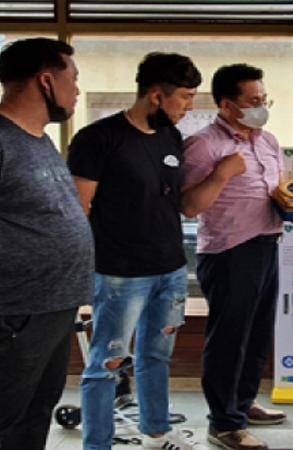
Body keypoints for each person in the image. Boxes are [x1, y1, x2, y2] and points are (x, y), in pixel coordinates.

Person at [67, 52, 205, 450]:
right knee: (106, 364)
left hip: (171, 269)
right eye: (185, 97)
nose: (189, 107)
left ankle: (157, 431)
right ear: (157, 96)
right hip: (120, 274)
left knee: (156, 356)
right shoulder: (98, 139)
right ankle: (98, 444)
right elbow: (78, 209)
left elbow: (173, 199)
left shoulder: (170, 136)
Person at [182, 63, 288, 450]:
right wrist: (222, 174)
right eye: (253, 101)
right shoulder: (204, 144)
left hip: (267, 243)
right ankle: (224, 424)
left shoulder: (267, 141)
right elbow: (189, 205)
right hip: (229, 250)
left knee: (257, 333)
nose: (261, 107)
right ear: (226, 104)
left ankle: (242, 404)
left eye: (264, 99)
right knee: (230, 337)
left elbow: (277, 190)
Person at [0, 38, 94, 450]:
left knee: (36, 413)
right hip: (15, 312)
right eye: (72, 78)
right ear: (45, 81)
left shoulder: (38, 140)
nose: (77, 90)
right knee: (7, 417)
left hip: (53, 307)